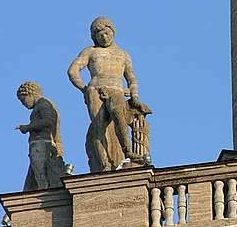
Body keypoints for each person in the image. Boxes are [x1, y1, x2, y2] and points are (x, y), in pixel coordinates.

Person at [68, 16, 151, 172]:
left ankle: (127, 152)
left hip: (116, 90)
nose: (103, 37)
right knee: (98, 128)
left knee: (120, 116)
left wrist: (135, 97)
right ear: (94, 37)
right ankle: (104, 163)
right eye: (99, 35)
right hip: (95, 90)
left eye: (106, 33)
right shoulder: (90, 51)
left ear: (112, 31)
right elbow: (72, 71)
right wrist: (84, 89)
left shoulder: (123, 54)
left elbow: (131, 78)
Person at [15, 82, 65, 191]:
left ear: (29, 94)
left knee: (42, 179)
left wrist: (28, 127)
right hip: (42, 144)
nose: (23, 104)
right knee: (30, 185)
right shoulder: (44, 104)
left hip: (41, 144)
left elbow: (48, 121)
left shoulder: (43, 104)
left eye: (23, 100)